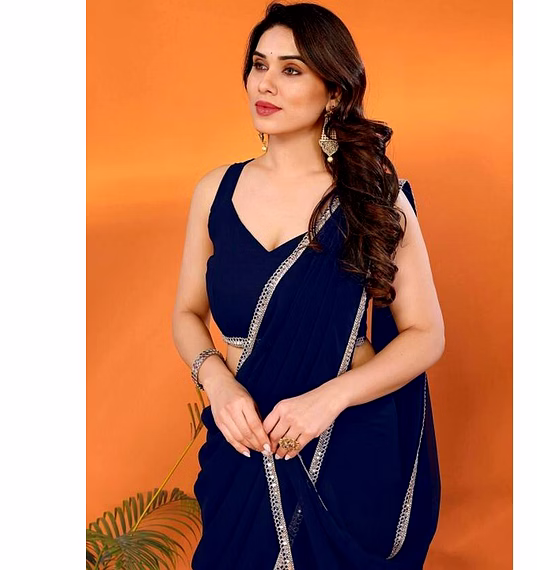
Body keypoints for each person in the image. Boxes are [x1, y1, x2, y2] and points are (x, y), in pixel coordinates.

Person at [171, 3, 444, 569]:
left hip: (344, 443)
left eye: (291, 69)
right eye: (259, 64)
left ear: (335, 92)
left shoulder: (373, 199)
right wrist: (217, 383)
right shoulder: (214, 191)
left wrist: (329, 399)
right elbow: (187, 314)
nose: (265, 83)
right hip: (245, 440)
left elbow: (426, 335)